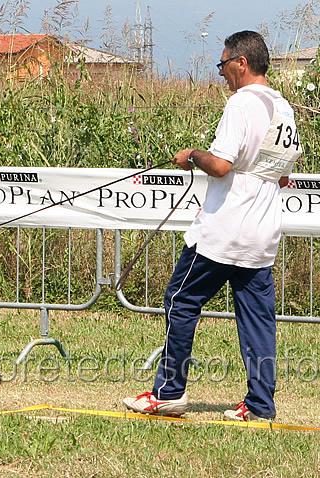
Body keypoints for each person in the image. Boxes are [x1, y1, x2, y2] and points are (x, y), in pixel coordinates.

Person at [123, 30, 303, 421]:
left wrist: (192, 155)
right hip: (261, 234)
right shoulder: (284, 108)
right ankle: (260, 406)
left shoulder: (241, 104)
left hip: (223, 232)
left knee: (180, 300)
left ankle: (168, 392)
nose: (220, 73)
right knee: (257, 319)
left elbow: (220, 165)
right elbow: (283, 175)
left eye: (222, 65)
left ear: (241, 62)